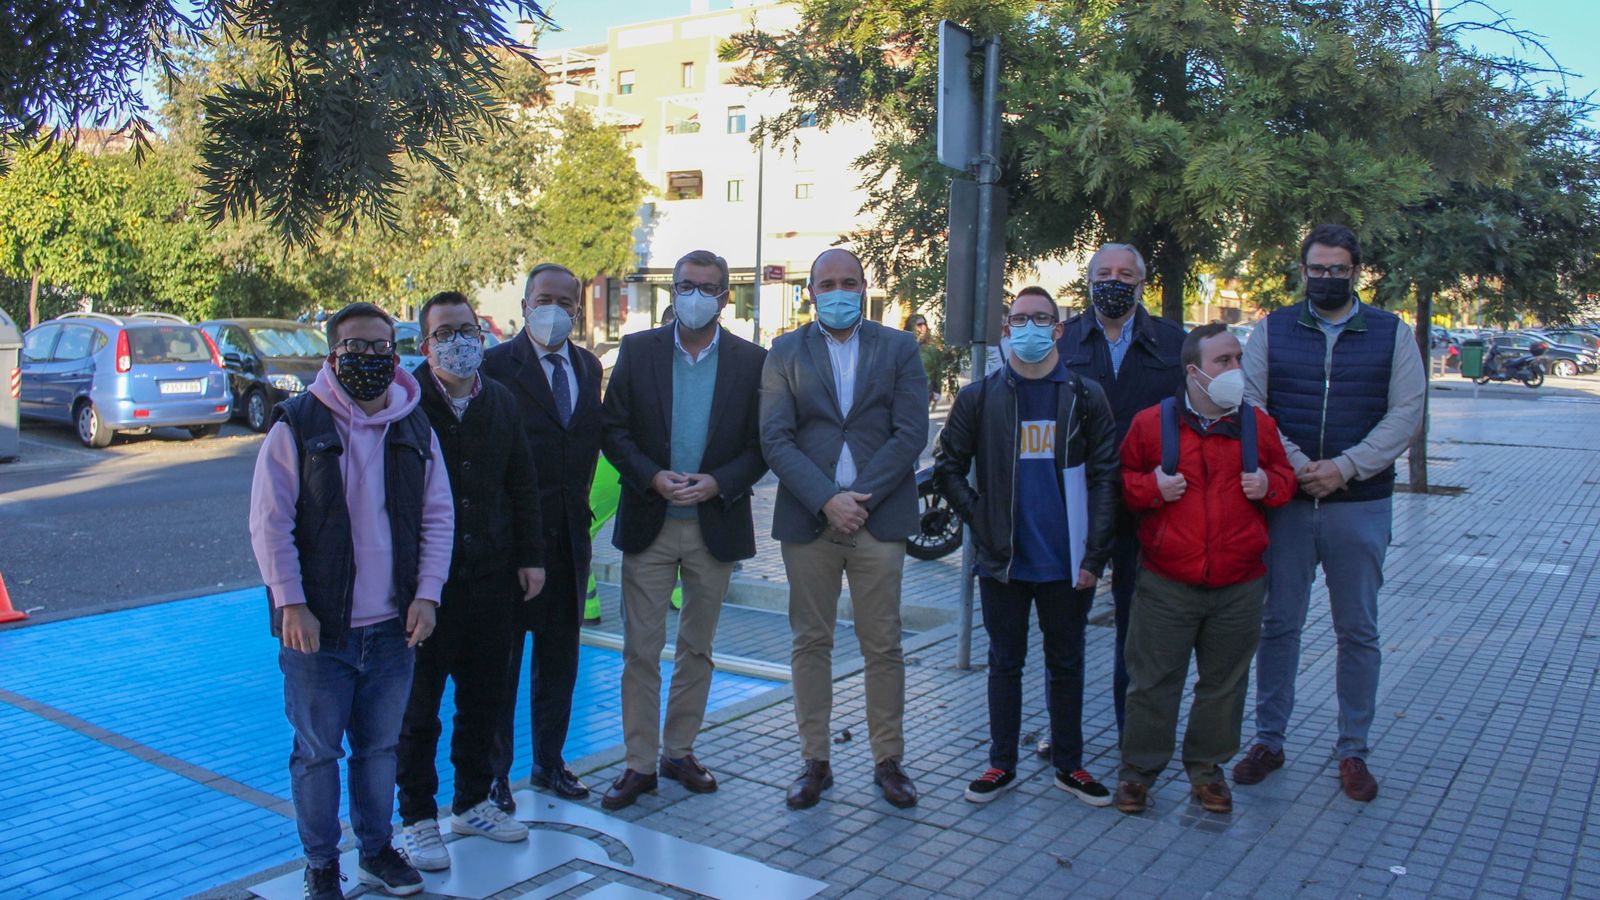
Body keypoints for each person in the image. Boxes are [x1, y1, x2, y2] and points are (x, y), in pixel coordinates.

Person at [248, 301, 453, 900]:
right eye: (355, 347)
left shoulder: (415, 426)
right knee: (317, 753)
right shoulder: (296, 425)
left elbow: (437, 516)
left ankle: (377, 850)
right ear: (332, 356)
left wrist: (427, 595)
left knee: (380, 749)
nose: (369, 358)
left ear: (396, 353)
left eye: (381, 347)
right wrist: (291, 603)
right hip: (318, 631)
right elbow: (270, 523)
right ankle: (320, 864)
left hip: (393, 627)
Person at [1235, 223, 1426, 801]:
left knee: (1358, 631)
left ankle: (1353, 750)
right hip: (1288, 504)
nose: (1326, 278)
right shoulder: (1272, 329)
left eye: (1338, 269)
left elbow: (1406, 413)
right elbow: (1252, 404)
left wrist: (1346, 467)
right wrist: (1297, 465)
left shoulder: (1393, 333)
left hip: (1360, 504)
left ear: (1355, 272)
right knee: (1278, 625)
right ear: (1303, 271)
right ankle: (1269, 740)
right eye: (1317, 269)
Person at [931, 287, 1120, 806]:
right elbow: (947, 468)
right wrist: (981, 518)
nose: (1030, 327)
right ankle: (1001, 763)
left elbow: (1106, 477)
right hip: (1005, 561)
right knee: (1004, 663)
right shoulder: (979, 397)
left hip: (1068, 562)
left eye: (1041, 318)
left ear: (1058, 330)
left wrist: (1095, 555)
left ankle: (1069, 764)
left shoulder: (1085, 396)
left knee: (1067, 664)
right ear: (1006, 329)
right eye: (1020, 319)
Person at [597, 250, 770, 810]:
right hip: (650, 521)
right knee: (640, 650)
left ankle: (679, 751)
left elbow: (762, 444)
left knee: (698, 647)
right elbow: (613, 429)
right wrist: (651, 476)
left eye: (707, 288)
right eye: (686, 286)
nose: (696, 296)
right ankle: (638, 764)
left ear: (725, 297)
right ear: (672, 291)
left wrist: (720, 482)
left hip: (714, 525)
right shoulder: (638, 349)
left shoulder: (752, 360)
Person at [760, 248, 930, 810]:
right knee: (811, 641)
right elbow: (775, 438)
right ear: (811, 291)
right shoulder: (785, 351)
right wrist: (826, 499)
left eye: (848, 282)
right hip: (809, 522)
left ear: (864, 287)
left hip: (878, 520)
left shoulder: (899, 347)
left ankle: (888, 760)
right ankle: (815, 760)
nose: (838, 292)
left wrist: (858, 500)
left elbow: (911, 433)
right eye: (827, 283)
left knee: (883, 644)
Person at [1113, 324, 1295, 815]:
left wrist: (1270, 485)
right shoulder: (1152, 423)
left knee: (1224, 686)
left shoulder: (1259, 426)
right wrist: (1151, 488)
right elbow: (1122, 483)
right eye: (1223, 361)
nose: (1236, 368)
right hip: (1166, 582)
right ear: (1194, 372)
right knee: (1152, 682)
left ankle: (1207, 772)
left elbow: (1285, 478)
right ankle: (1138, 773)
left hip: (1239, 585)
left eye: (1238, 358)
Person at [394, 292, 545, 869]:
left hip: (492, 578)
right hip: (426, 589)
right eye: (445, 333)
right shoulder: (405, 404)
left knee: (483, 699)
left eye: (467, 330)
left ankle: (473, 801)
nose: (458, 342)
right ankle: (416, 818)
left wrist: (530, 556)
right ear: (425, 344)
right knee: (419, 709)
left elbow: (522, 483)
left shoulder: (500, 401)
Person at [483, 263, 605, 807]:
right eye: (543, 299)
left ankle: (549, 763)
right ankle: (494, 774)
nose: (554, 309)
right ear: (525, 304)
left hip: (568, 539)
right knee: (502, 664)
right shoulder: (493, 366)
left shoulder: (588, 366)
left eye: (565, 301)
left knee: (559, 659)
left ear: (578, 309)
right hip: (509, 545)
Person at [1054, 243, 1185, 749]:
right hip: (1077, 507)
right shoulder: (1062, 339)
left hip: (1145, 506)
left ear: (1142, 283)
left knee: (1139, 631)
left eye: (1126, 274)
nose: (1114, 281)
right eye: (1104, 272)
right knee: (1066, 629)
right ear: (1088, 281)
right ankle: (1064, 735)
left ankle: (1134, 734)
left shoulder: (1172, 342)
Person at [905, 313, 941, 409]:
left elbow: (937, 370)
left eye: (924, 324)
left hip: (925, 393)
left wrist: (937, 390)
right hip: (906, 392)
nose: (923, 327)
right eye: (919, 324)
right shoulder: (903, 346)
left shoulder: (931, 349)